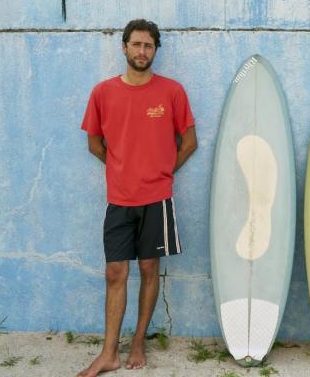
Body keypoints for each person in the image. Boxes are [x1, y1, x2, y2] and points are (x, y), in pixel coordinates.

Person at [77, 19, 197, 377]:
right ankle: (109, 353)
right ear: (124, 47)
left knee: (148, 269)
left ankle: (139, 341)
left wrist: (161, 173)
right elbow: (94, 144)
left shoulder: (172, 91)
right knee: (115, 271)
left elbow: (189, 142)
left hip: (157, 198)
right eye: (136, 44)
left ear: (155, 50)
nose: (142, 51)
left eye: (148, 45)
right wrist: (122, 169)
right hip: (119, 198)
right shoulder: (103, 93)